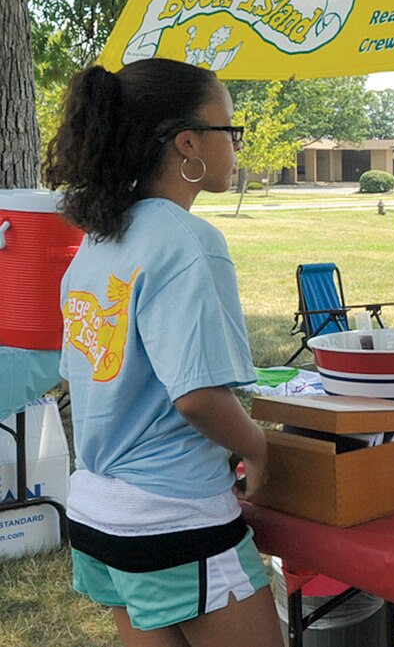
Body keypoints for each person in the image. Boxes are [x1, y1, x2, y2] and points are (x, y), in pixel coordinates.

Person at [43, 59, 282, 647]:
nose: (236, 144)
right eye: (230, 129)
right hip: (174, 522)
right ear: (188, 144)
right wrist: (258, 446)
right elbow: (198, 397)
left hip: (99, 516)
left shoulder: (98, 242)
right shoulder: (189, 241)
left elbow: (85, 377)